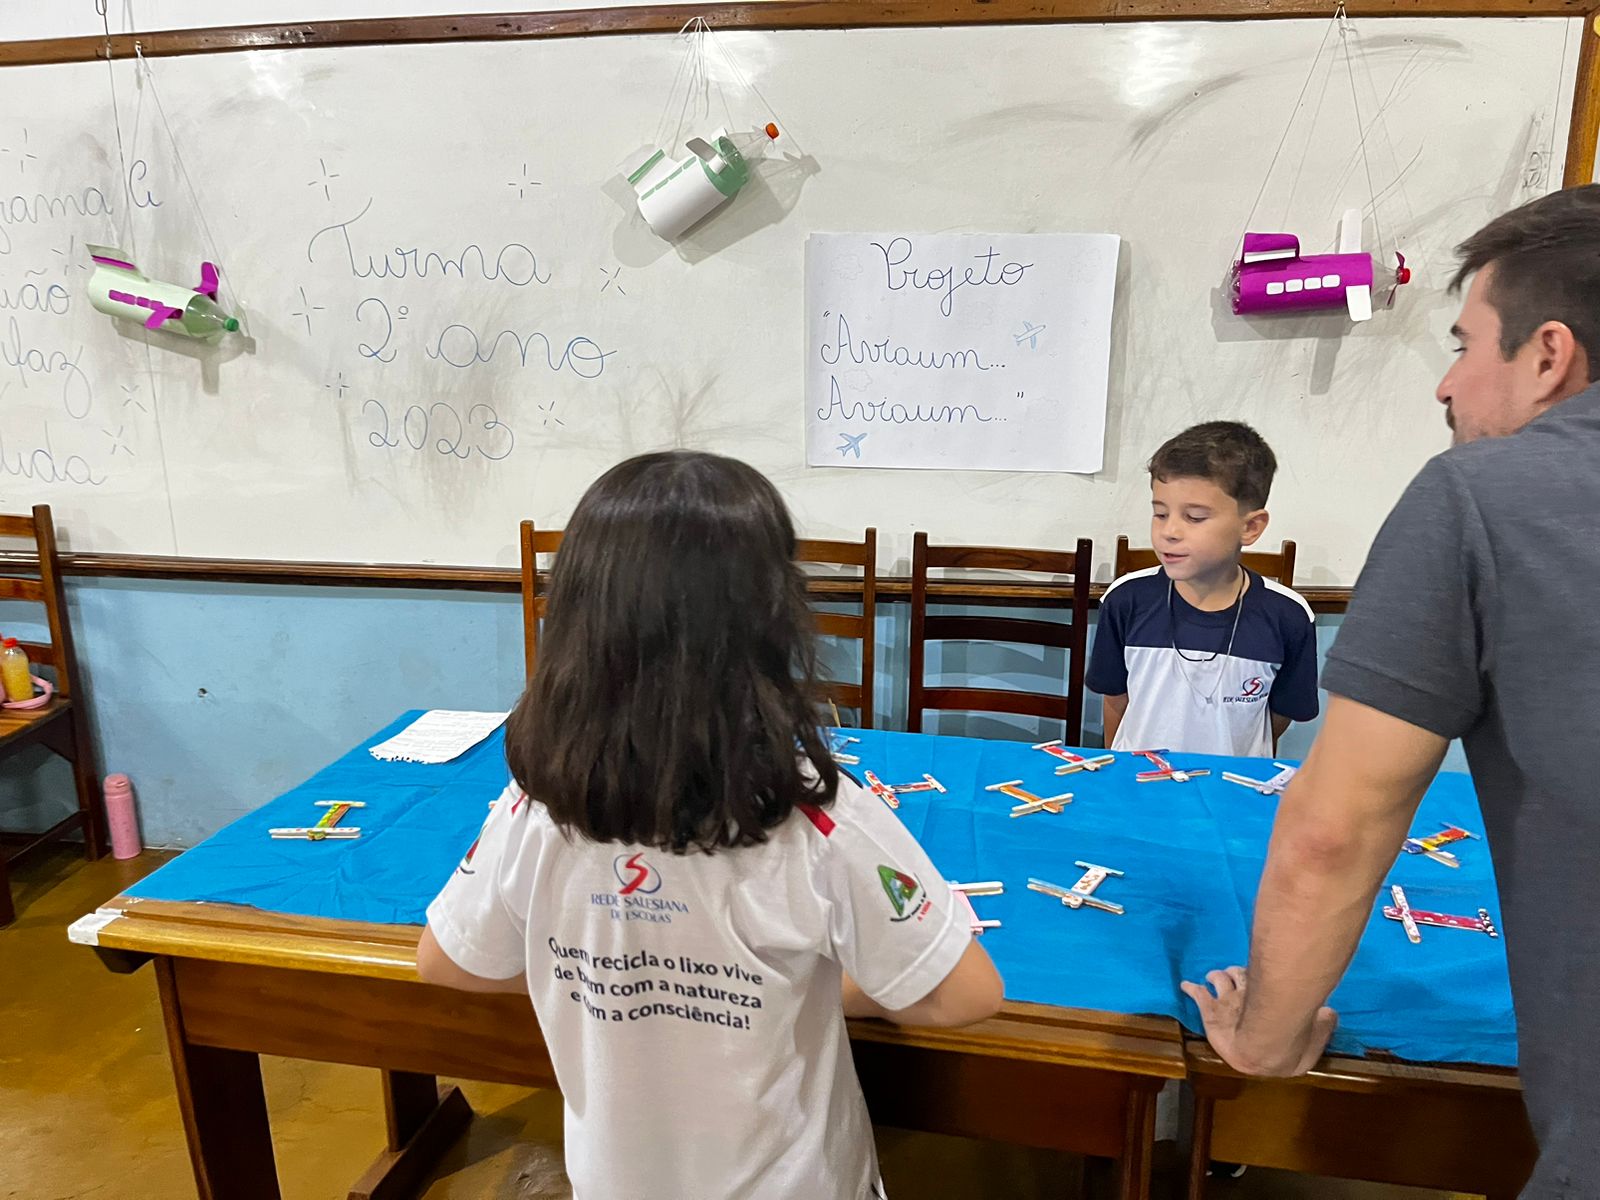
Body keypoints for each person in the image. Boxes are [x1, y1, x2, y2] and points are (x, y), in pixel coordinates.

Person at [417, 450, 1004, 1200]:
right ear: (771, 617)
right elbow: (965, 995)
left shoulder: (536, 807)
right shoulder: (816, 818)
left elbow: (450, 963)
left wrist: (595, 976)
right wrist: (802, 985)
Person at [1183, 184, 1600, 1197]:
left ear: (1549, 356)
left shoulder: (1481, 494)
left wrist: (1266, 1038)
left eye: (1464, 345)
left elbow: (1336, 831)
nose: (1446, 384)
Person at [1087, 421, 1319, 756]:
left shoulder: (1289, 616)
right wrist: (1119, 767)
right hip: (1139, 779)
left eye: (1194, 517)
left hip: (1233, 783)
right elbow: (1115, 699)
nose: (1170, 531)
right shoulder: (1126, 599)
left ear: (1250, 527)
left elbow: (1279, 716)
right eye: (1160, 514)